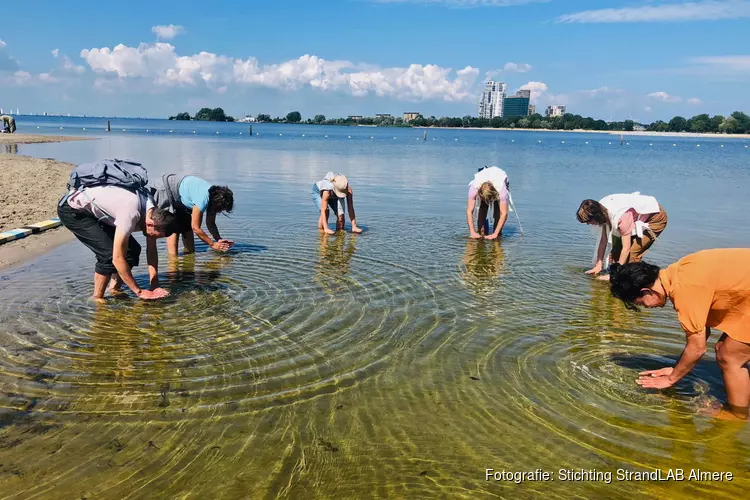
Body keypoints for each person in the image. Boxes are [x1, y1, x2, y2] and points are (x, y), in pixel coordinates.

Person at [609, 249, 750, 420]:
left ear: (647, 291)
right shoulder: (679, 270)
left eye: (640, 303)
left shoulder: (684, 289)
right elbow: (701, 331)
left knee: (730, 356)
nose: (645, 308)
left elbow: (697, 348)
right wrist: (677, 369)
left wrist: (671, 380)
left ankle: (737, 415)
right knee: (723, 348)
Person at [58, 179, 178, 301]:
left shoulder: (153, 211)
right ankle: (97, 298)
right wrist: (140, 292)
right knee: (108, 254)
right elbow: (117, 258)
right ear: (151, 224)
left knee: (132, 251)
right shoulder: (130, 214)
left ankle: (114, 288)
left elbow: (151, 251)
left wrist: (154, 284)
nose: (154, 239)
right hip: (74, 210)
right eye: (156, 236)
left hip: (99, 211)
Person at [576, 192, 667, 280]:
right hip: (632, 217)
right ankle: (619, 274)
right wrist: (598, 266)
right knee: (615, 253)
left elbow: (626, 249)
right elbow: (603, 241)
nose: (588, 224)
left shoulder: (621, 218)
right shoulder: (601, 210)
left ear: (597, 217)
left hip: (655, 217)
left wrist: (614, 276)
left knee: (633, 254)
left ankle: (634, 283)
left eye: (588, 221)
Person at [152, 174, 235, 256]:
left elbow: (211, 223)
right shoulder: (203, 200)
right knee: (172, 227)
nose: (219, 211)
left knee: (187, 226)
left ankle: (189, 255)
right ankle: (173, 260)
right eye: (220, 209)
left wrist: (218, 240)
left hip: (181, 198)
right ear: (217, 204)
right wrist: (212, 244)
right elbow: (196, 228)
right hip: (166, 188)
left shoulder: (214, 197)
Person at [466, 166, 510, 240]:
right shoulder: (474, 187)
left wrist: (495, 234)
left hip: (498, 178)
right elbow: (469, 211)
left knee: (498, 210)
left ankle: (497, 234)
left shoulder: (501, 190)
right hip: (484, 177)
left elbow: (504, 213)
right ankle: (481, 232)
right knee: (483, 206)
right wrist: (472, 232)